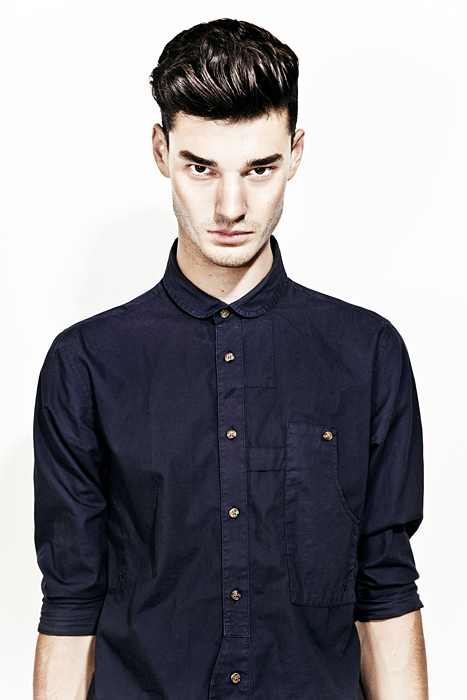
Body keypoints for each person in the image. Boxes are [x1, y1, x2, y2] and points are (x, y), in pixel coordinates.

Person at [32, 18, 428, 700]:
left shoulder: (366, 354)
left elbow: (385, 588)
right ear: (161, 151)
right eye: (201, 167)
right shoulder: (87, 364)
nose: (230, 207)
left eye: (259, 169)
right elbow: (71, 600)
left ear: (295, 154)